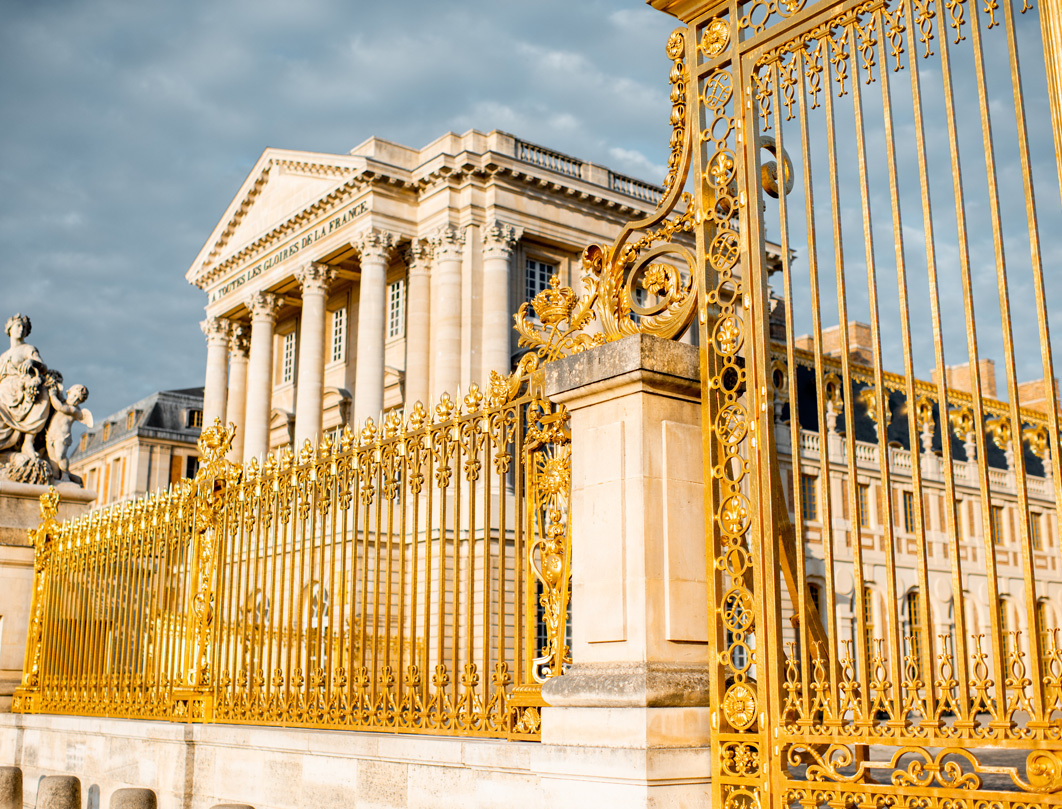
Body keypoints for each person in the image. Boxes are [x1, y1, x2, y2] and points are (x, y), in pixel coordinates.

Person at [0, 314, 52, 456]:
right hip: (4, 391)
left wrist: (32, 361)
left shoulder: (28, 349)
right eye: (18, 326)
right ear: (10, 329)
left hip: (21, 388)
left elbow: (43, 366)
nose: (21, 329)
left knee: (41, 393)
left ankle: (28, 442)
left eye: (24, 327)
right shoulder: (3, 356)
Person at [45, 382, 91, 484]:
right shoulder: (64, 402)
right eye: (74, 396)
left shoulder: (74, 410)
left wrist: (52, 395)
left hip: (62, 436)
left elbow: (60, 407)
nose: (75, 400)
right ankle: (56, 477)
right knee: (52, 458)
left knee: (60, 456)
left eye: (79, 400)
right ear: (68, 393)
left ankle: (65, 474)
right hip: (51, 434)